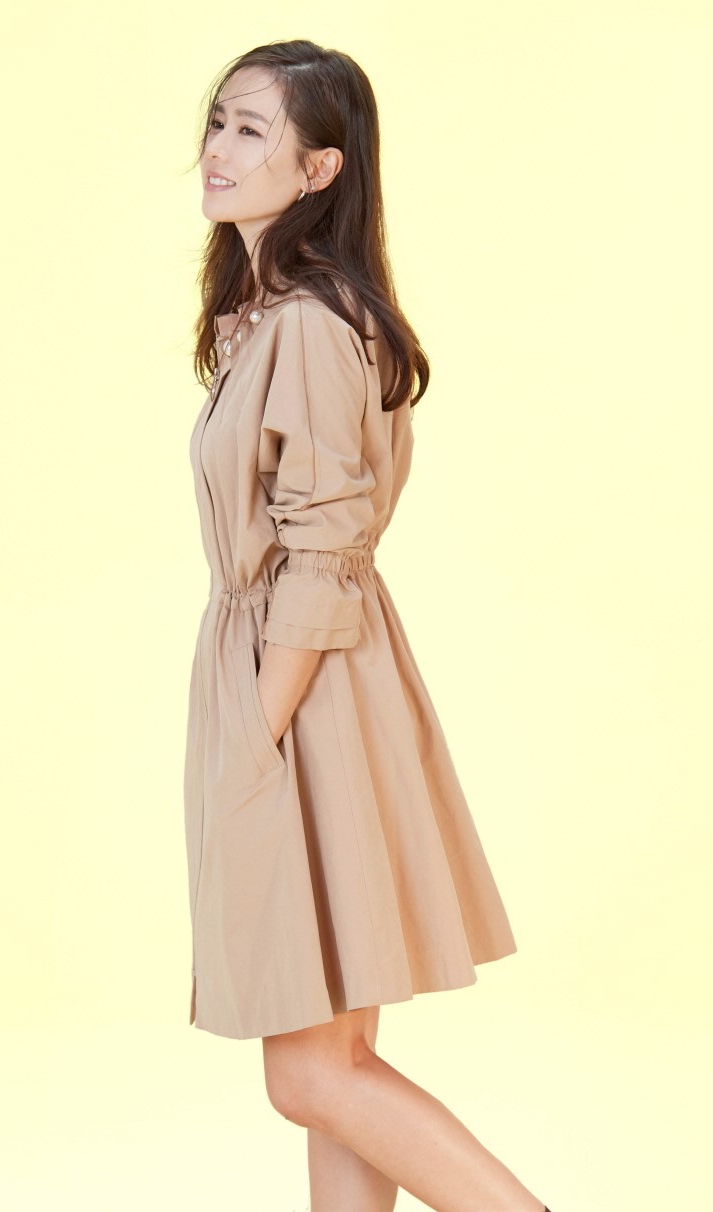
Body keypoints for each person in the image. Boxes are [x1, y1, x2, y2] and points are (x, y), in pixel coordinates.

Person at [184, 39, 553, 1212]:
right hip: (323, 677)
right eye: (218, 120)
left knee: (307, 1072)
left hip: (303, 686)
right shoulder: (287, 318)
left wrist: (255, 732)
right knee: (333, 1064)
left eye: (252, 129)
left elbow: (321, 549)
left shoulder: (304, 324)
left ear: (318, 168)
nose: (217, 147)